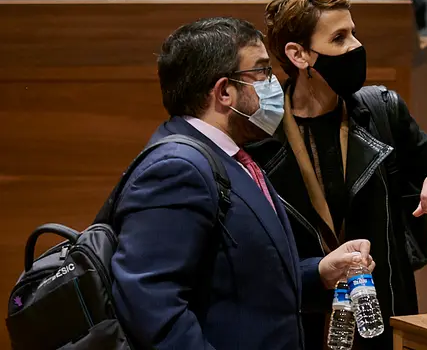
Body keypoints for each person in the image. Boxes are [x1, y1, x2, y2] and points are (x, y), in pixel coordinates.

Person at [110, 17, 376, 349]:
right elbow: (150, 303)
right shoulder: (175, 169)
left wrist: (319, 272)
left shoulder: (232, 156)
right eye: (262, 71)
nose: (274, 82)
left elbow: (242, 278)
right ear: (224, 92)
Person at [244, 0, 427, 349]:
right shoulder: (259, 138)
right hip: (302, 322)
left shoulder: (381, 110)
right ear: (299, 54)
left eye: (354, 33)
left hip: (381, 315)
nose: (355, 46)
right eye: (339, 38)